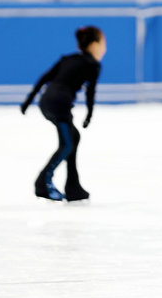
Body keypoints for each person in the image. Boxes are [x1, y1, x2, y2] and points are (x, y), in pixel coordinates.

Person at [20, 26, 106, 202]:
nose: (105, 48)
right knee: (67, 144)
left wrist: (29, 100)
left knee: (73, 137)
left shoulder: (68, 59)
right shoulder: (92, 65)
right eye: (103, 43)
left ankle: (73, 186)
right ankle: (42, 183)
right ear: (94, 44)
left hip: (47, 101)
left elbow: (45, 77)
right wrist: (89, 114)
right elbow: (91, 92)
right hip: (59, 104)